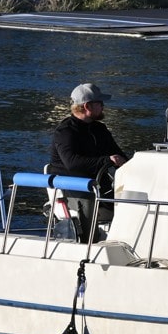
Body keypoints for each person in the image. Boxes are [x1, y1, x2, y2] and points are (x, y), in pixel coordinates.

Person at [47, 83, 129, 231]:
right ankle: (87, 239)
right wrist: (107, 160)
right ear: (87, 106)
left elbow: (120, 156)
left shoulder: (100, 129)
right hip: (74, 187)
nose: (103, 106)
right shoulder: (65, 132)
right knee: (93, 199)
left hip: (100, 185)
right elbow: (72, 163)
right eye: (100, 103)